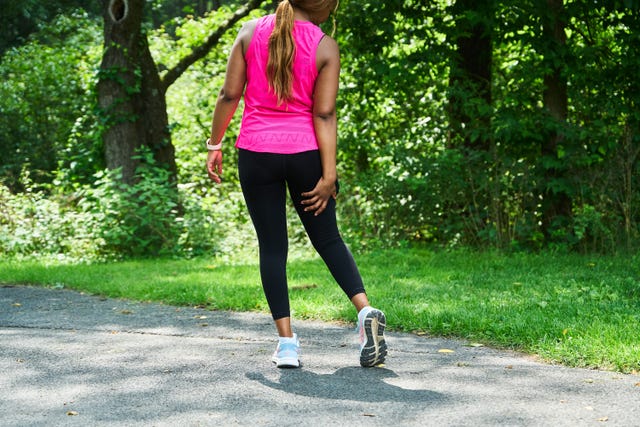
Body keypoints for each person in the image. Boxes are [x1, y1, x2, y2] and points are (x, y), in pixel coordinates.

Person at [205, 0, 386, 368]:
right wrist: (329, 173)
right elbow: (324, 112)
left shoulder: (250, 32)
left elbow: (229, 95)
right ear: (325, 5)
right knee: (328, 237)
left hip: (257, 153)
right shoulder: (325, 45)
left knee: (273, 247)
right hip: (306, 154)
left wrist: (215, 143)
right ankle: (364, 310)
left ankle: (287, 345)